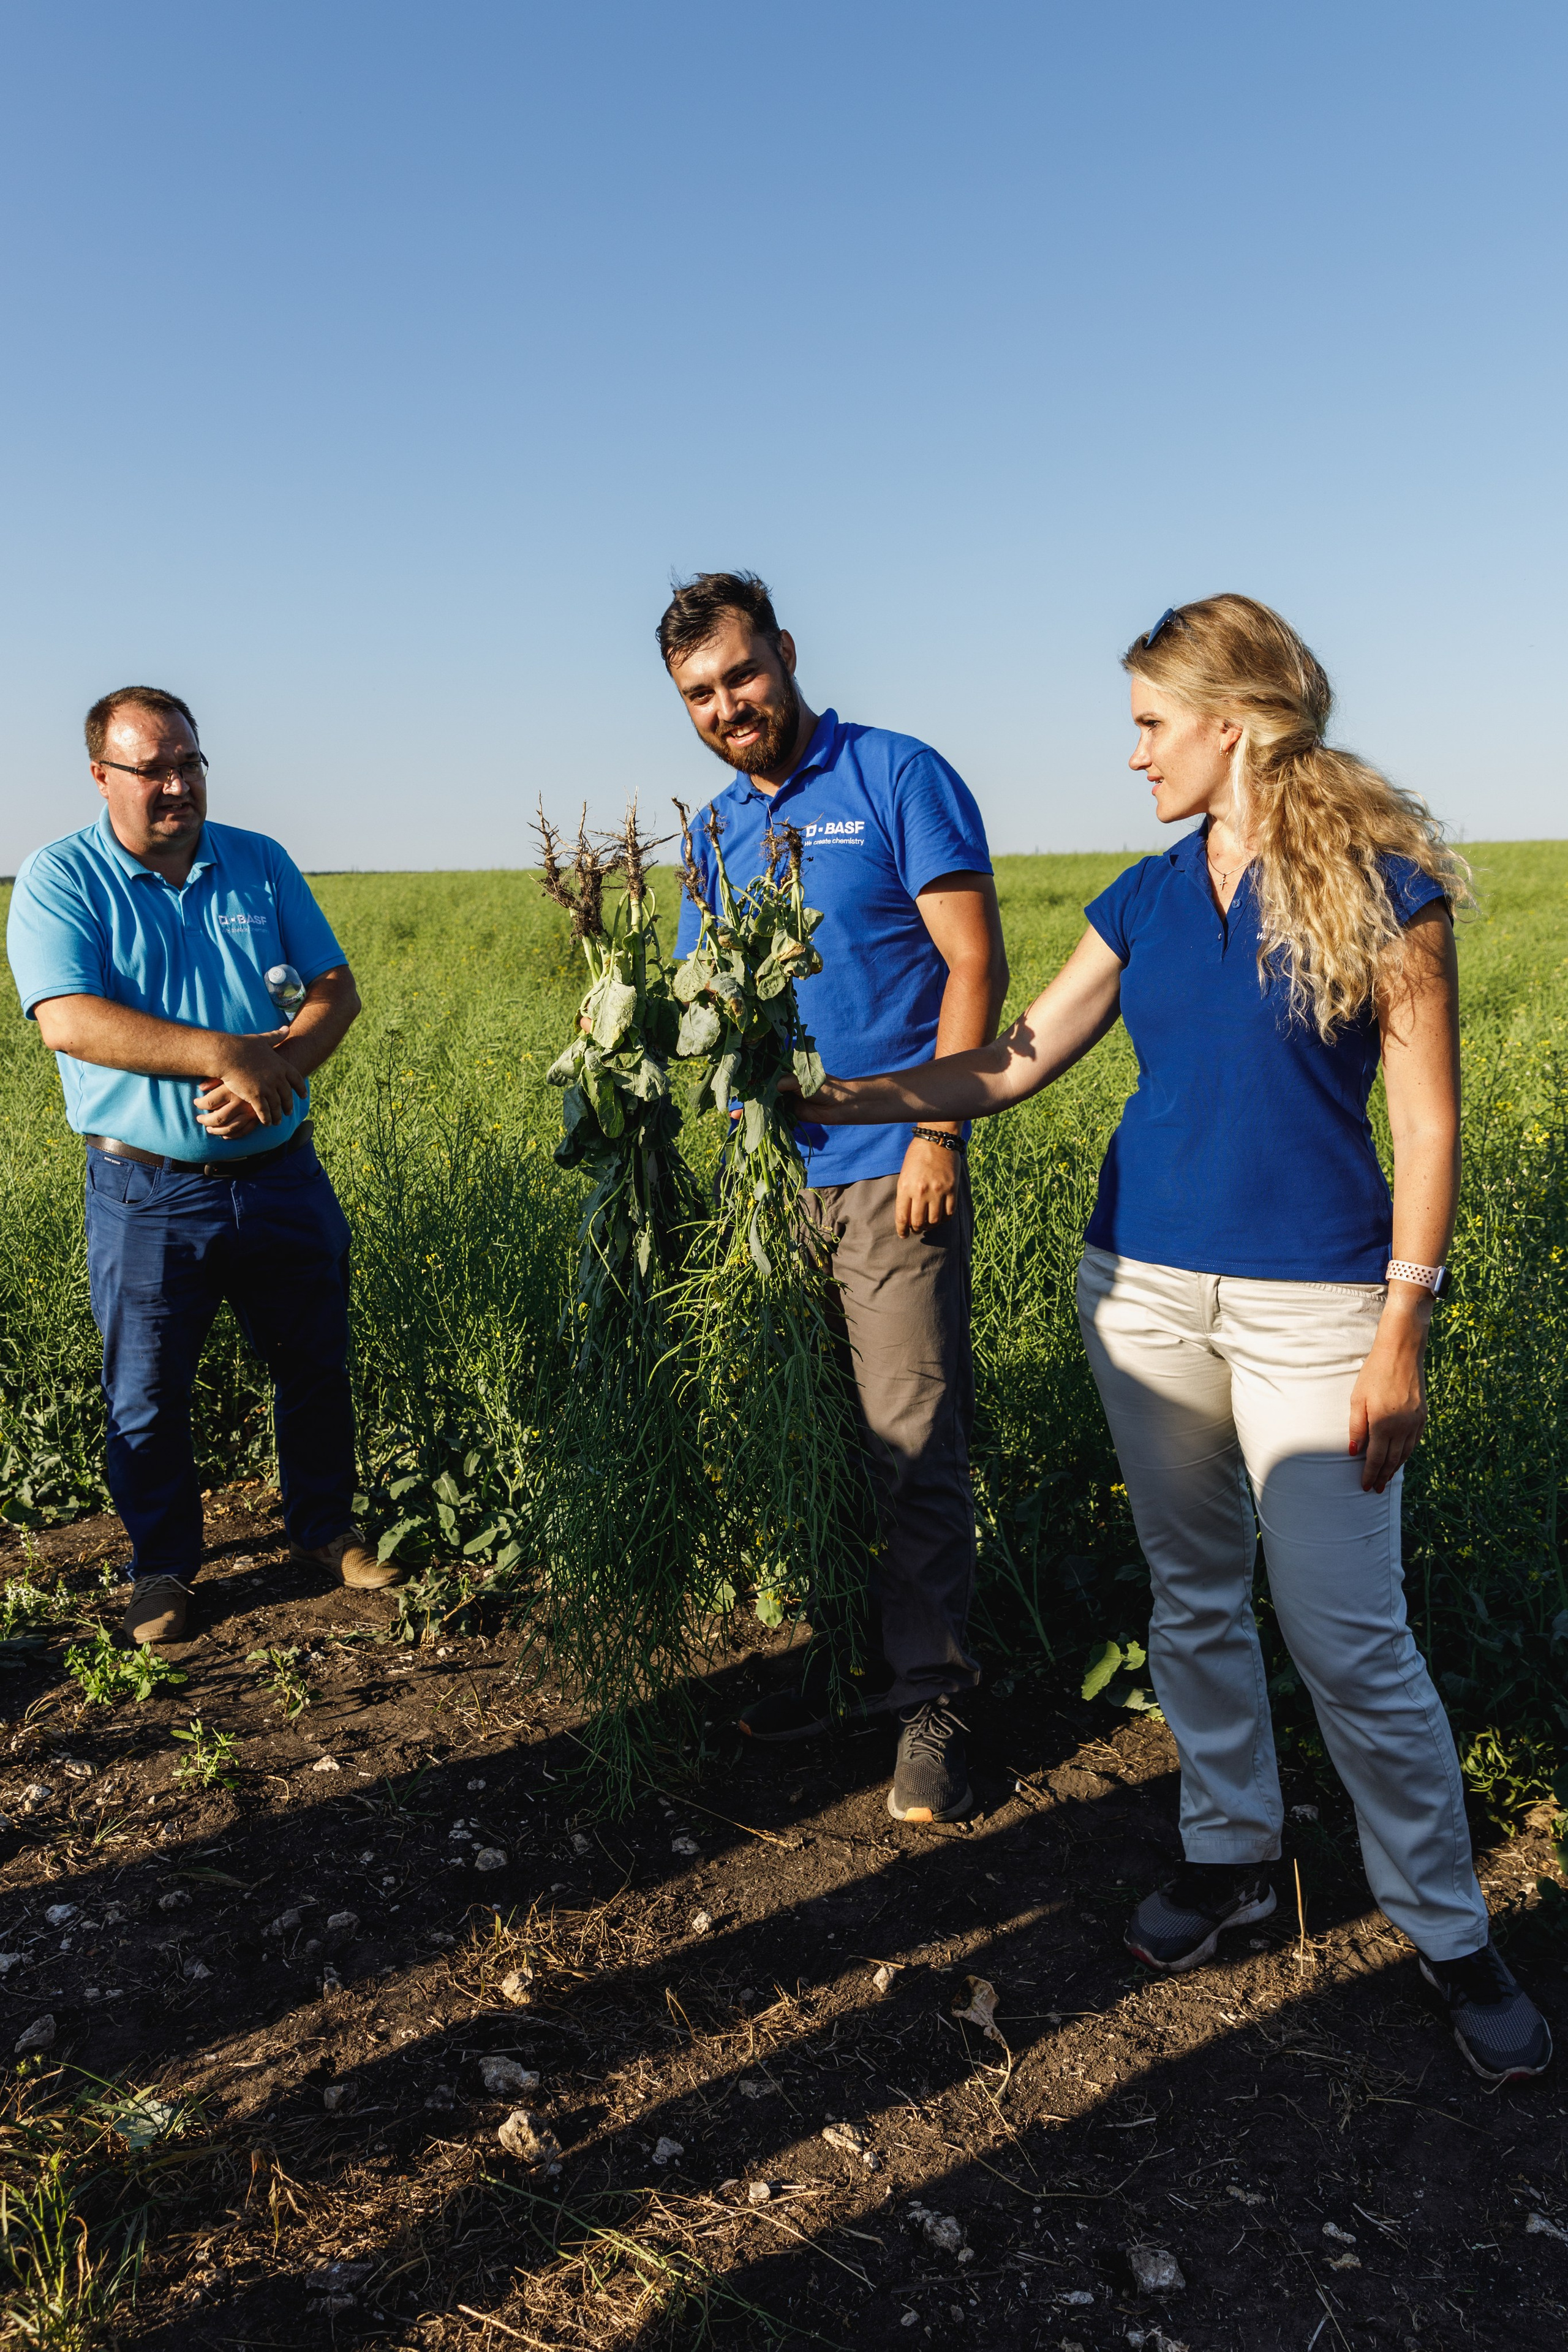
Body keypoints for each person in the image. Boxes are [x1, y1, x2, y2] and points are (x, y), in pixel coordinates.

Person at [791, 595, 1552, 2084]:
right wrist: (847, 1098)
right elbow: (1014, 1061)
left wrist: (1403, 1324)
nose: (1131, 752)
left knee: (1349, 1637)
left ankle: (1448, 1930)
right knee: (1191, 1595)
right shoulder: (1141, 897)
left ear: (1232, 723)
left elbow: (1425, 1120)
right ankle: (1226, 1857)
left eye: (1150, 723)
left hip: (1317, 1312)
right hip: (1137, 1293)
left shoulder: (1384, 889)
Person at [660, 573, 1009, 1823]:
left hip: (888, 1177)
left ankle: (934, 1703)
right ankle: (841, 1658)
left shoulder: (896, 777)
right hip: (770, 1187)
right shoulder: (706, 831)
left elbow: (973, 960)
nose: (727, 706)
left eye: (740, 676)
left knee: (911, 1443)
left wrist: (935, 1135)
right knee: (807, 1437)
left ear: (785, 655)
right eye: (700, 694)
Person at [6, 685, 400, 1646]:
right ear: (103, 777)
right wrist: (225, 1053)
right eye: (153, 769)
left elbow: (334, 989)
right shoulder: (61, 878)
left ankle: (323, 1530)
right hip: (144, 1189)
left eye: (189, 762)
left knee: (312, 1362)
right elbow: (68, 1016)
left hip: (281, 1173)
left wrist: (276, 1072)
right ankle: (163, 1570)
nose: (177, 784)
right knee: (146, 1390)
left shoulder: (257, 862)